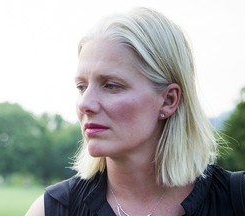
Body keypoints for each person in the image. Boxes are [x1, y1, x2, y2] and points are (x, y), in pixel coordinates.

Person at [26, 7, 244, 216]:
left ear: (169, 100)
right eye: (81, 87)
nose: (85, 104)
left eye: (111, 85)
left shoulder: (238, 200)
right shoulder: (53, 210)